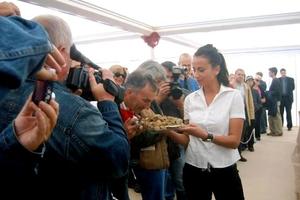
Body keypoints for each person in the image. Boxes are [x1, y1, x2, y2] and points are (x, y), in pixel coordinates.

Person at [0, 14, 130, 199]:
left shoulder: (5, 90)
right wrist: (107, 102)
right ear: (61, 52)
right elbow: (118, 159)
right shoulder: (75, 111)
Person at [166, 44, 245, 200]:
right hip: (194, 168)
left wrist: (206, 135)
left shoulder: (233, 96)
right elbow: (187, 141)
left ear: (216, 69)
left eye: (201, 70)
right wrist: (167, 131)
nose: (196, 74)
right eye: (194, 70)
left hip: (224, 168)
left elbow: (234, 141)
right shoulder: (190, 99)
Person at [111, 70, 159, 200]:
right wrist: (124, 135)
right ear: (129, 92)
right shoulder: (109, 106)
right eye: (145, 100)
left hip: (134, 167)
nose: (148, 106)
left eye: (150, 101)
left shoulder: (142, 106)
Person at [160, 61, 186, 200]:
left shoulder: (182, 93)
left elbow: (190, 121)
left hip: (178, 142)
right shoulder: (153, 94)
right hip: (159, 143)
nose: (169, 81)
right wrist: (158, 99)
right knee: (166, 183)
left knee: (180, 180)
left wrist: (180, 105)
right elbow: (146, 117)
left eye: (172, 78)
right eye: (165, 77)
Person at [266, 67, 283, 136]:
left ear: (273, 73)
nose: (268, 73)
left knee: (276, 116)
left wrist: (267, 92)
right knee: (271, 116)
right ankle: (273, 131)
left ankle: (278, 131)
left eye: (269, 72)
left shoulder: (276, 80)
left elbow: (277, 92)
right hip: (272, 101)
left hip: (275, 101)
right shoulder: (273, 80)